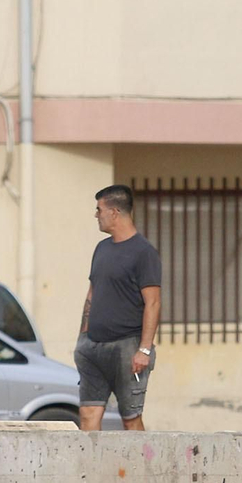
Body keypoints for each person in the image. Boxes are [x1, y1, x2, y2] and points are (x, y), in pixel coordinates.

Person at [76, 184, 162, 431]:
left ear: (114, 212)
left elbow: (153, 302)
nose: (96, 215)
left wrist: (144, 350)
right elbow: (92, 291)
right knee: (88, 414)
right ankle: (89, 459)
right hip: (93, 347)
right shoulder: (102, 248)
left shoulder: (143, 252)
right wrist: (83, 337)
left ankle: (142, 458)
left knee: (130, 418)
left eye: (99, 209)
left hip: (127, 347)